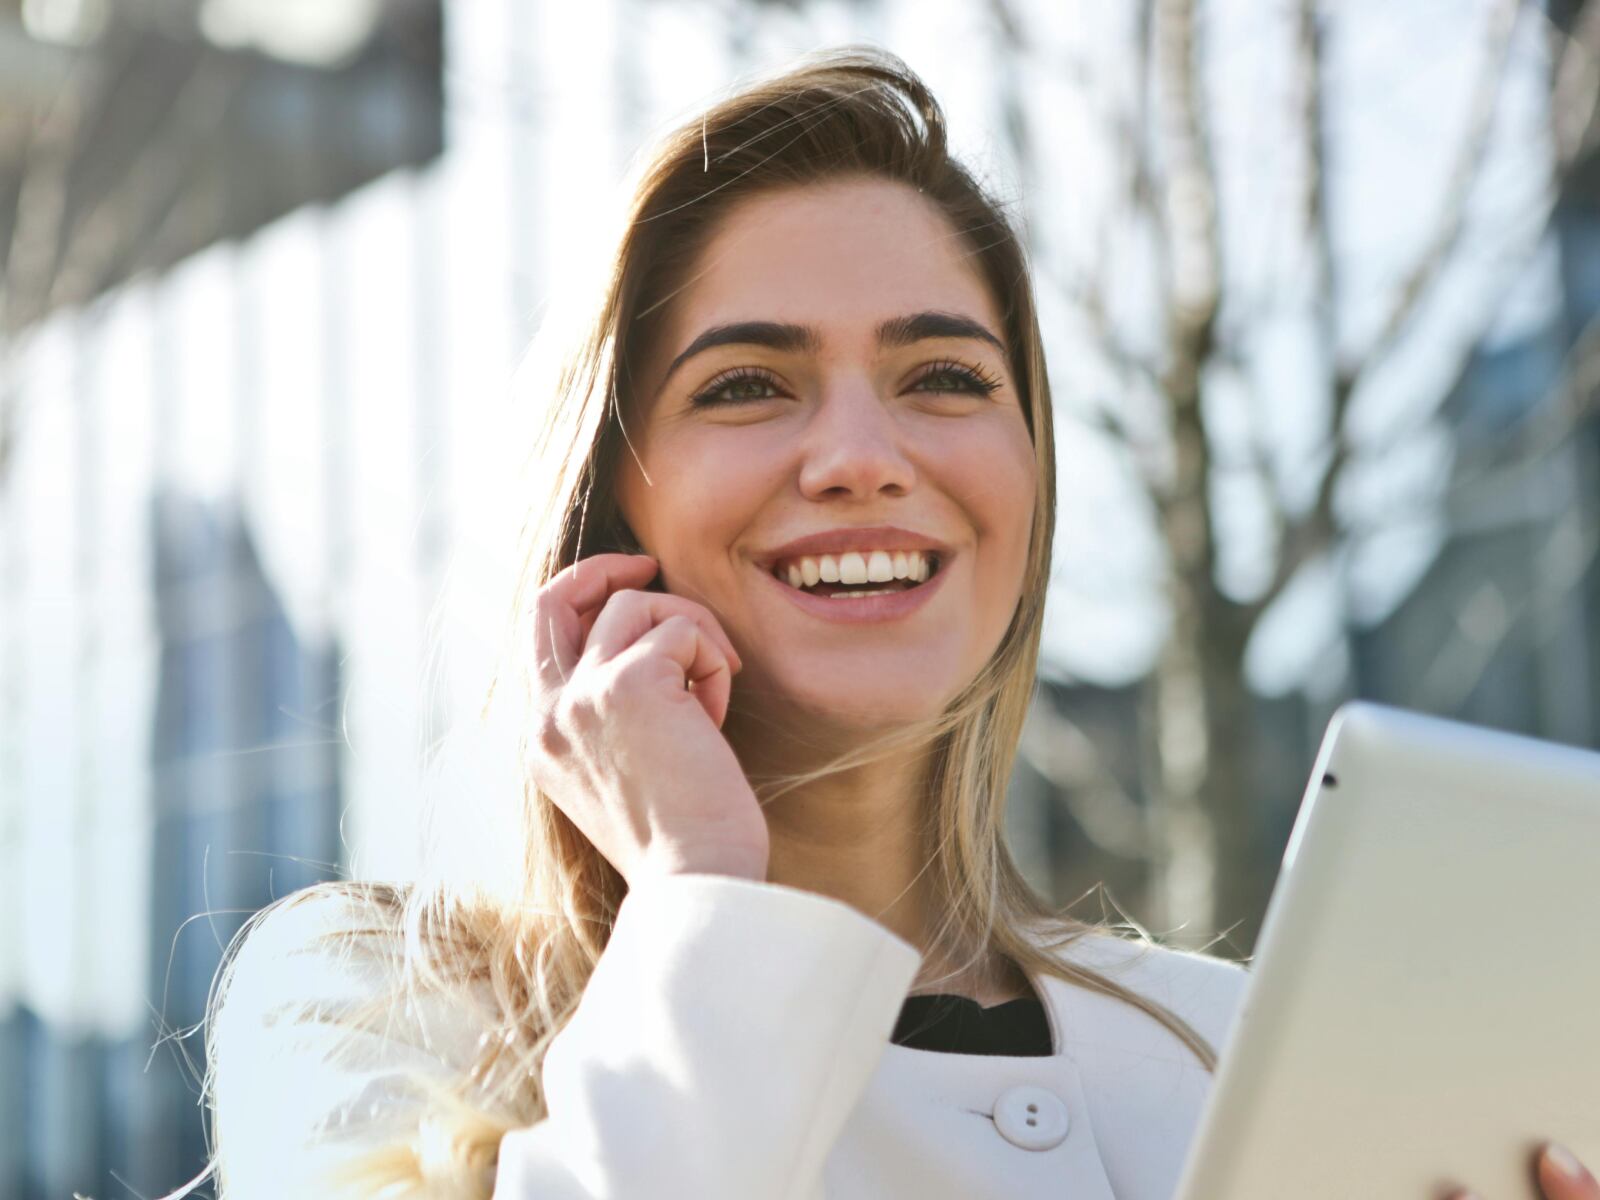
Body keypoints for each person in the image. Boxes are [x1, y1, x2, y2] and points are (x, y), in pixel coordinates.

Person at [188, 45, 1596, 1200]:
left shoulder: (1232, 1048)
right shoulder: (373, 1014)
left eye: (944, 375)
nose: (864, 454)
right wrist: (705, 893)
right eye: (747, 385)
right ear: (608, 510)